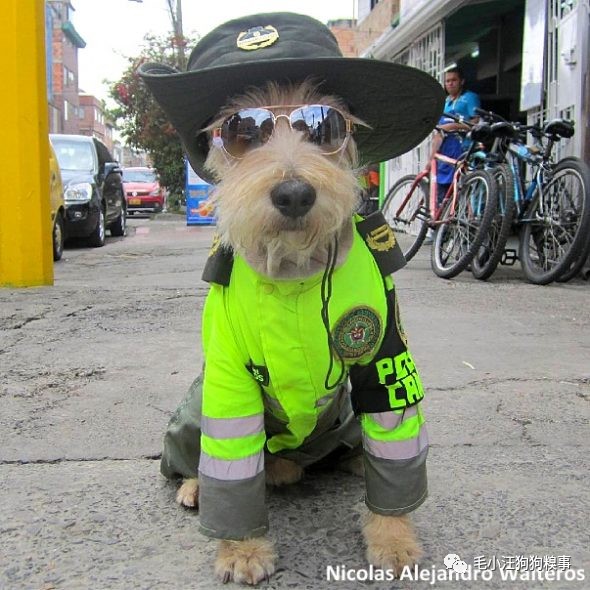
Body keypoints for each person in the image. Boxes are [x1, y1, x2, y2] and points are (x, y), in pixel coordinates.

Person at [429, 66, 480, 206]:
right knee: (442, 198)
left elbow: (476, 122)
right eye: (447, 81)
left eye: (454, 80)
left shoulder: (469, 98)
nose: (450, 83)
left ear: (461, 81)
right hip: (444, 153)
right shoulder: (444, 102)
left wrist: (453, 126)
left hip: (462, 150)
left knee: (461, 194)